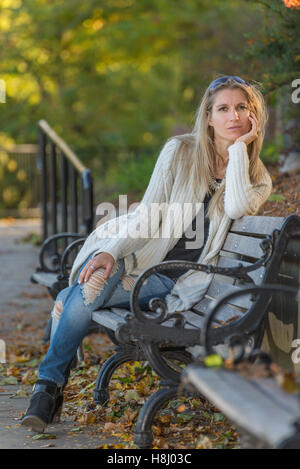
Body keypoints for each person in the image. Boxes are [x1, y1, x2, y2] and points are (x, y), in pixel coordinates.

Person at [21, 75, 272, 433]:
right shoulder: (180, 151)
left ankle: (48, 388)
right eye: (223, 108)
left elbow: (235, 205)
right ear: (208, 117)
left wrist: (237, 152)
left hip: (175, 282)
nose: (233, 116)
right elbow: (148, 213)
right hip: (139, 260)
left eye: (242, 108)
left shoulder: (257, 177)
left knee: (76, 295)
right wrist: (111, 251)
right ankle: (47, 387)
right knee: (92, 283)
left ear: (254, 117)